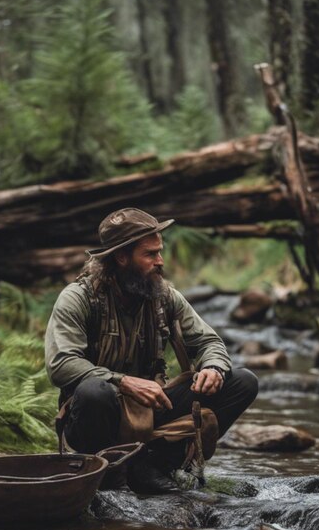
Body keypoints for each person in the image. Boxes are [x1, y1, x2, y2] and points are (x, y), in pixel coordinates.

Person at [45, 208, 258, 492]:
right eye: (150, 254)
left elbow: (209, 342)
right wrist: (122, 381)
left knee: (242, 381)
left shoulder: (165, 296)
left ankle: (154, 466)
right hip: (97, 413)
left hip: (153, 409)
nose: (160, 262)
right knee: (95, 390)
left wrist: (213, 367)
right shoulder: (78, 298)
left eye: (160, 252)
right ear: (121, 258)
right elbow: (61, 364)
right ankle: (108, 472)